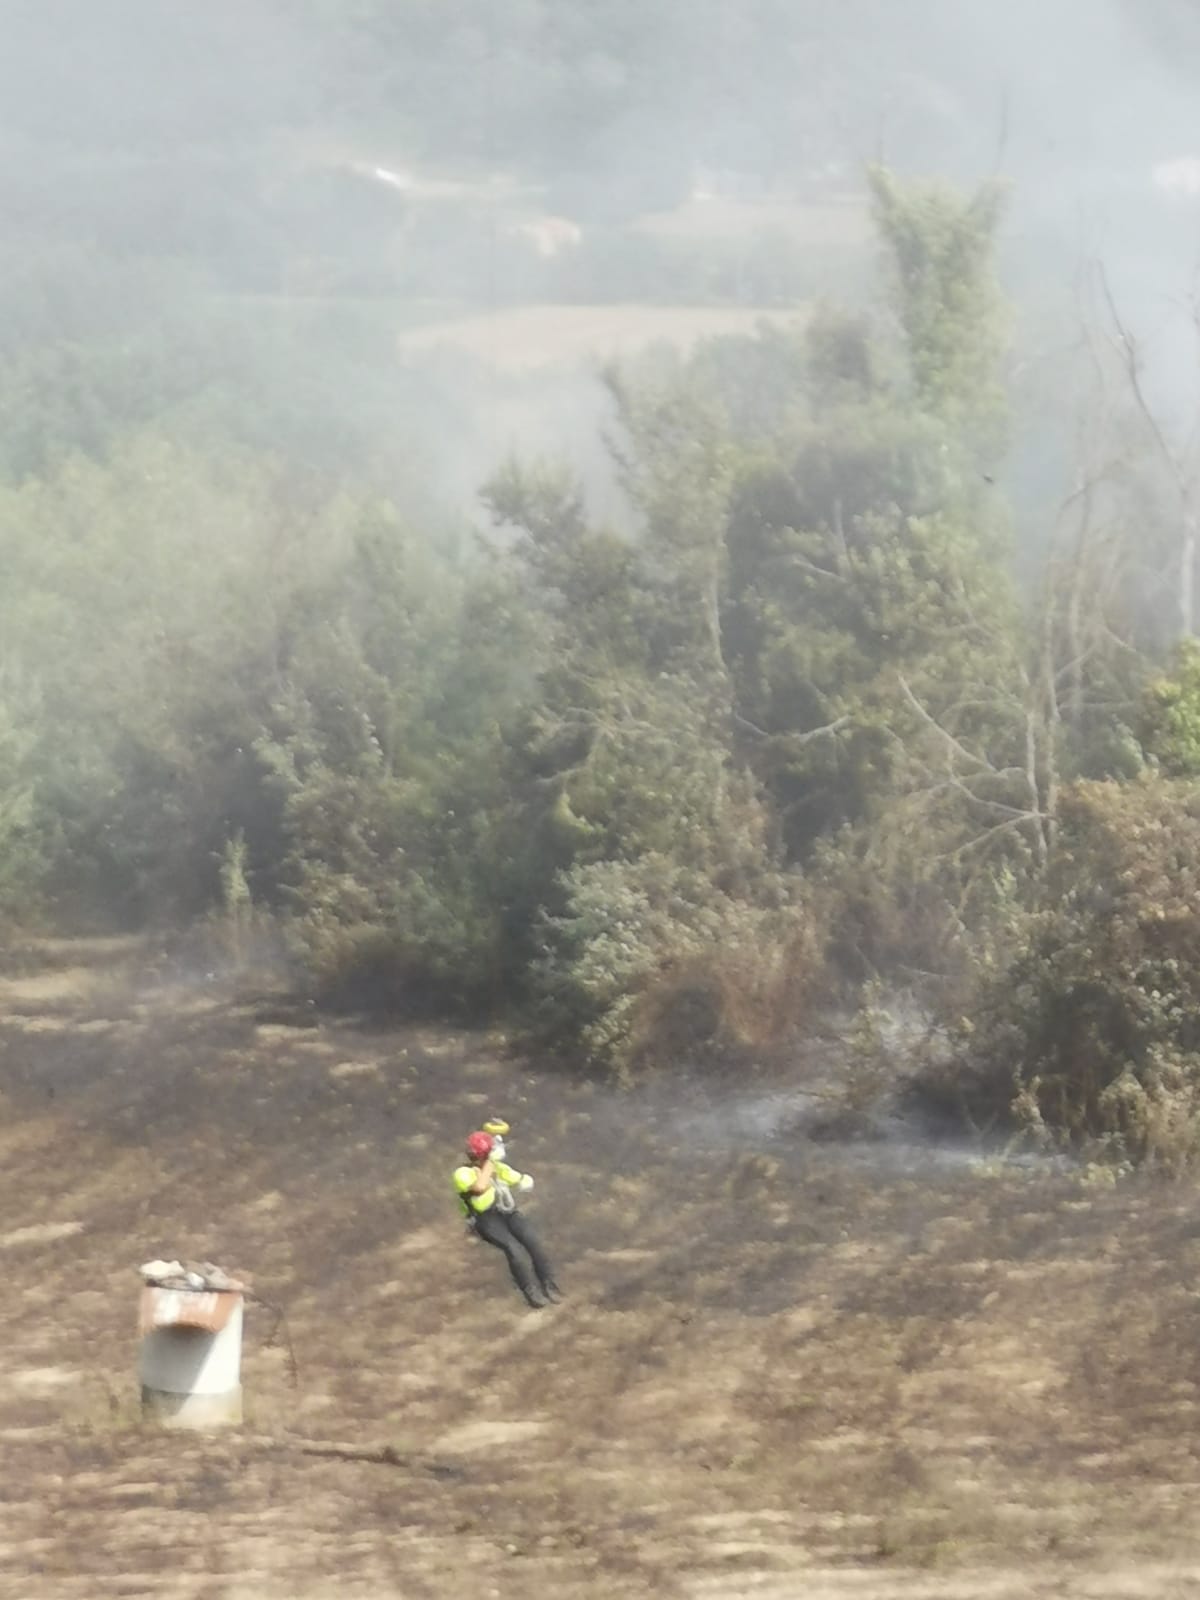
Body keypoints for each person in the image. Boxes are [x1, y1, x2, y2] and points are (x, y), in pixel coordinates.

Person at [453, 1130, 561, 1309]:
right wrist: (489, 1163)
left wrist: (523, 1180)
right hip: (484, 1217)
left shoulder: (496, 1167)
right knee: (514, 1249)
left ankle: (549, 1284)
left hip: (506, 1211)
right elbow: (479, 1187)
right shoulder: (463, 1174)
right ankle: (531, 1292)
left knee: (532, 1241)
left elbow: (516, 1178)